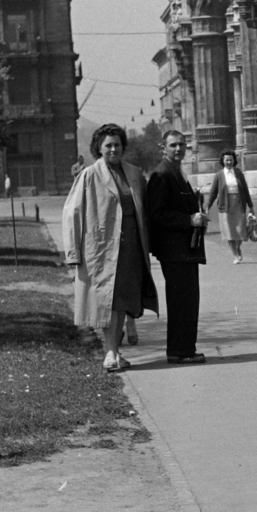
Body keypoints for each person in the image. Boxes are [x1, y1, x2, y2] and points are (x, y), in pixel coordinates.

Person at [61, 123, 158, 372]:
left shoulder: (134, 174)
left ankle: (115, 351)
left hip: (130, 248)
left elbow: (145, 212)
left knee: (123, 301)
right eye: (108, 145)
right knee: (107, 302)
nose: (114, 149)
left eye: (117, 144)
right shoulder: (89, 175)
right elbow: (73, 213)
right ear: (99, 149)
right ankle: (110, 351)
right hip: (102, 248)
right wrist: (73, 252)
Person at [146, 128, 208, 365]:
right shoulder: (161, 175)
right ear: (163, 148)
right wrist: (188, 220)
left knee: (188, 301)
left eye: (182, 144)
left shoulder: (177, 172)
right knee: (182, 301)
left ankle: (184, 349)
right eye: (173, 145)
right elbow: (157, 214)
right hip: (174, 251)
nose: (179, 149)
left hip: (184, 250)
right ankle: (180, 351)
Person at [206, 150, 254, 263]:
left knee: (241, 230)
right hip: (225, 206)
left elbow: (245, 190)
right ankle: (235, 255)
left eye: (231, 160)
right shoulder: (219, 175)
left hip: (238, 203)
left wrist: (250, 205)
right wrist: (208, 205)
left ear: (234, 161)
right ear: (223, 161)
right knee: (229, 232)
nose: (229, 162)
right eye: (226, 160)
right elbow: (213, 192)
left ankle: (238, 247)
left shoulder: (238, 173)